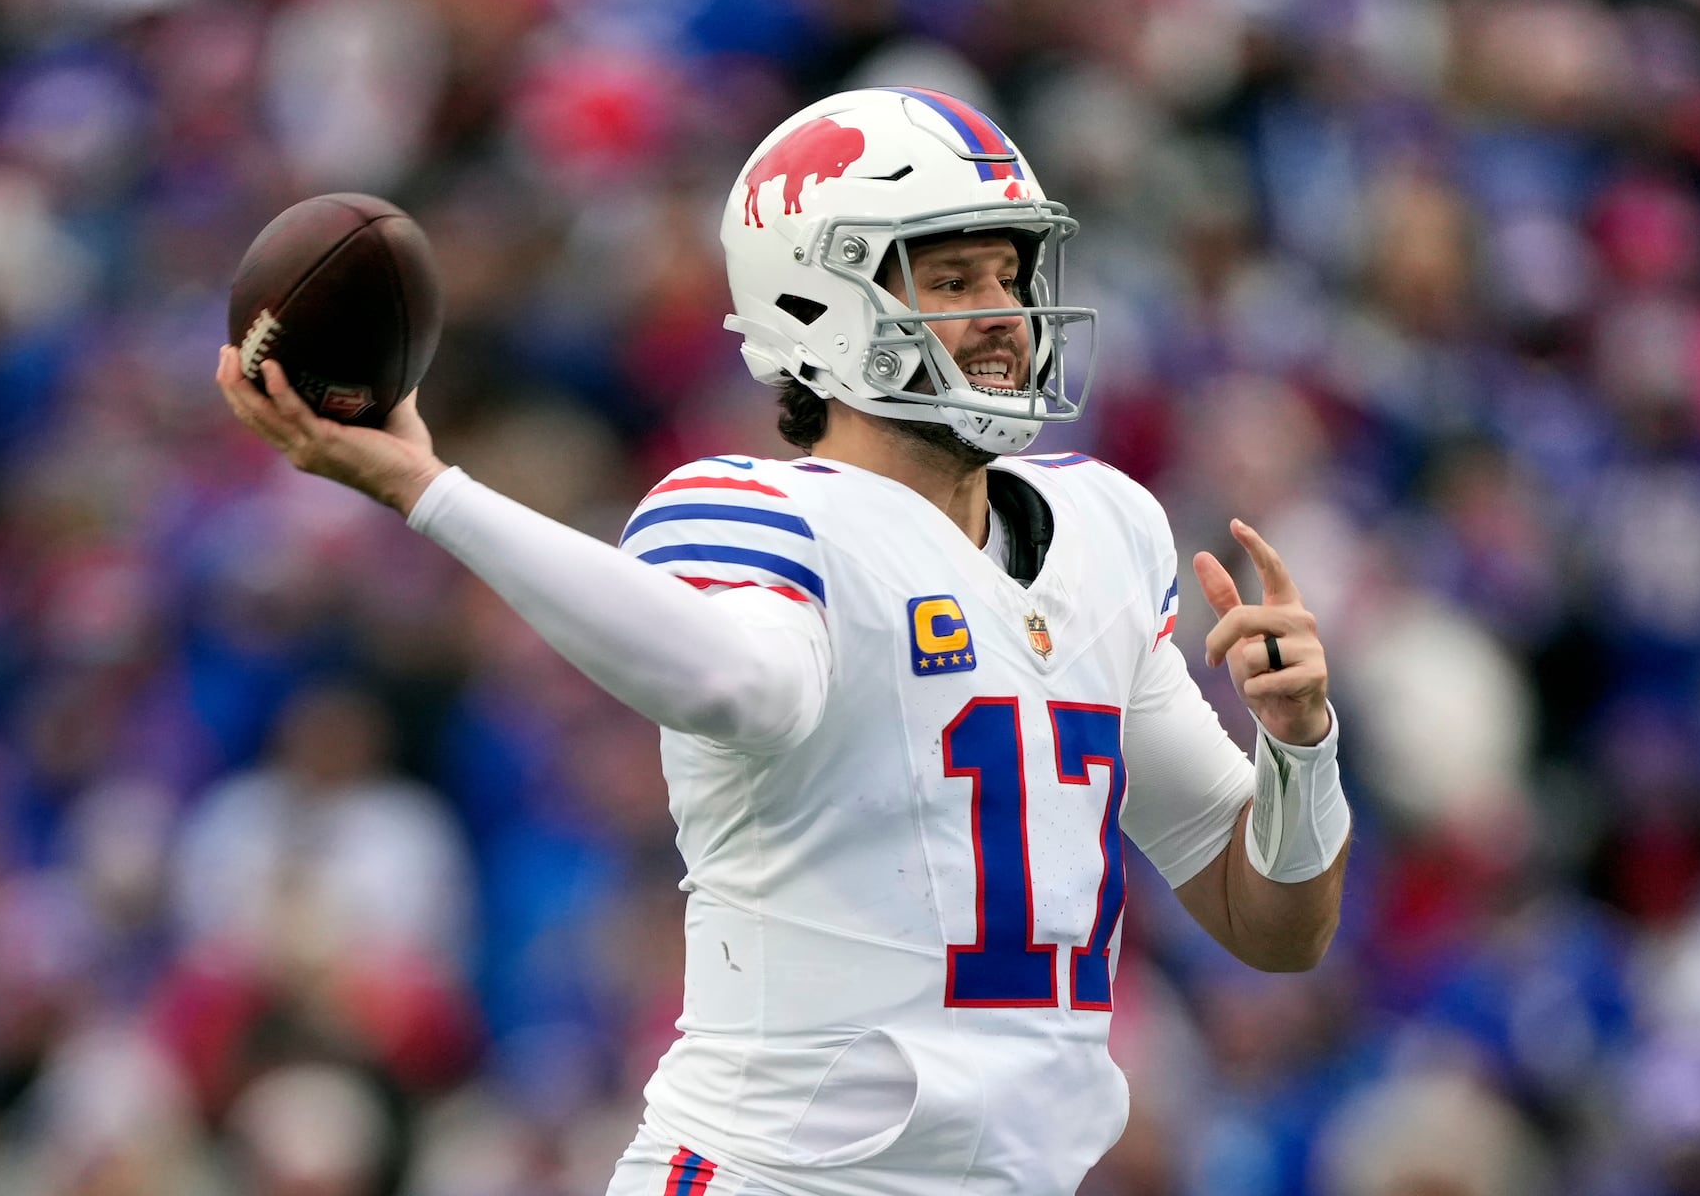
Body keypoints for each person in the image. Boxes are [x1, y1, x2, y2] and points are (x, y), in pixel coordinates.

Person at [216, 86, 1351, 1196]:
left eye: (1009, 273)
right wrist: (431, 490)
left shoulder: (1105, 528)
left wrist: (1299, 749)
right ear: (819, 304)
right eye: (953, 279)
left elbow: (1273, 922)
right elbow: (742, 683)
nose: (1004, 314)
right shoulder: (756, 509)